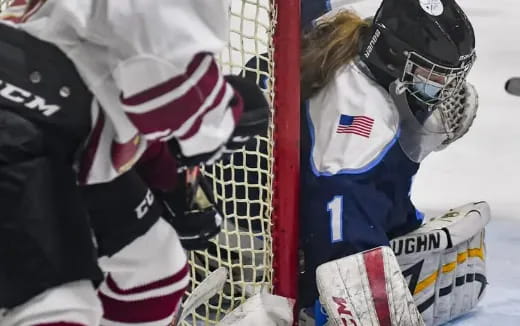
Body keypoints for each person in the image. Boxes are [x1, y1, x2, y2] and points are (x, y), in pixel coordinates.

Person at [0, 1, 269, 325]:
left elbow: (116, 76)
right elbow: (165, 100)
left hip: (62, 130)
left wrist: (169, 180)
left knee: (152, 263)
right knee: (58, 304)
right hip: (27, 132)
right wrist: (222, 119)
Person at [298, 0, 481, 322]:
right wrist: (344, 291)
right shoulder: (358, 113)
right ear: (395, 57)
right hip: (255, 222)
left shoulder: (363, 45)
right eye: (434, 75)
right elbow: (337, 203)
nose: (445, 88)